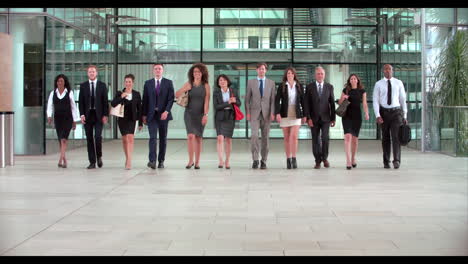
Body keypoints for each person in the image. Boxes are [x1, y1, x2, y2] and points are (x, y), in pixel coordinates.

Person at [175, 63, 211, 169]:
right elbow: (176, 95)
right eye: (195, 72)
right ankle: (190, 161)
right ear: (192, 73)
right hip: (189, 114)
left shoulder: (206, 86)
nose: (196, 74)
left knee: (198, 138)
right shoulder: (188, 83)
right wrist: (184, 88)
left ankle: (197, 162)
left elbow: (207, 101)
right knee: (190, 136)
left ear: (202, 73)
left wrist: (205, 114)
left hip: (200, 114)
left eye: (199, 72)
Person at [373, 64, 408, 169]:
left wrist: (405, 115)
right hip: (384, 113)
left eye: (389, 69)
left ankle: (396, 160)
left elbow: (403, 99)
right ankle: (386, 161)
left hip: (396, 112)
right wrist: (377, 115)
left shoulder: (398, 83)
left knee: (396, 137)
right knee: (385, 138)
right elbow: (375, 101)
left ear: (392, 71)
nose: (388, 71)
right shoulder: (378, 84)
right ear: (383, 71)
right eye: (386, 69)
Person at [142, 64, 175, 169]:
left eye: (159, 69)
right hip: (151, 115)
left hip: (163, 115)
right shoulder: (148, 83)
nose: (157, 70)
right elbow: (145, 100)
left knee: (162, 138)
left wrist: (166, 111)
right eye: (156, 69)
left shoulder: (168, 83)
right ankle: (152, 161)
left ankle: (161, 161)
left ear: (163, 70)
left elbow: (171, 99)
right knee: (152, 138)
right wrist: (143, 115)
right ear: (153, 71)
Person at [304, 66, 336, 169]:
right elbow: (306, 104)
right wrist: (308, 118)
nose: (320, 75)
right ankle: (317, 160)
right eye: (318, 73)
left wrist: (333, 118)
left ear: (324, 75)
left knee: (325, 138)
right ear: (315, 75)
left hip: (326, 118)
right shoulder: (309, 87)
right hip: (313, 119)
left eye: (322, 73)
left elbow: (332, 103)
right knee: (315, 140)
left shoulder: (329, 87)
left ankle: (325, 158)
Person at [245, 62, 276, 169]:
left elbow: (273, 100)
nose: (261, 70)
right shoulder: (251, 82)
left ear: (266, 70)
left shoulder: (271, 83)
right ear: (256, 70)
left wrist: (272, 112)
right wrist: (248, 113)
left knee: (265, 138)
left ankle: (264, 160)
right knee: (254, 136)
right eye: (259, 69)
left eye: (263, 69)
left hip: (267, 114)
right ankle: (255, 159)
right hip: (254, 114)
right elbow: (247, 99)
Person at [274, 67, 306, 169]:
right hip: (285, 113)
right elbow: (277, 101)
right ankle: (288, 159)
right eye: (288, 73)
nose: (290, 75)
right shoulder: (282, 86)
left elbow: (303, 101)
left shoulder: (299, 86)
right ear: (286, 75)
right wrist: (277, 113)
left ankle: (294, 158)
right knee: (287, 138)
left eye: (292, 73)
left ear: (294, 75)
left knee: (293, 137)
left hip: (296, 113)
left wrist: (305, 115)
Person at [79, 65, 109, 169]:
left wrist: (105, 115)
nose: (91, 73)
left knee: (97, 137)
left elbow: (105, 101)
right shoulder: (83, 86)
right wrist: (82, 115)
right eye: (90, 72)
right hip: (88, 115)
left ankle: (99, 156)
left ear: (96, 73)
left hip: (99, 115)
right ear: (88, 74)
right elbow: (81, 102)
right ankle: (92, 161)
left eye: (93, 71)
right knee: (89, 138)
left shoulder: (102, 85)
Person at [46, 74, 80, 168]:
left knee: (64, 139)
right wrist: (49, 116)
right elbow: (50, 105)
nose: (60, 83)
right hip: (58, 119)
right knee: (60, 140)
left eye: (62, 81)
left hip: (68, 118)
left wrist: (74, 120)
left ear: (65, 82)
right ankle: (64, 160)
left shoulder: (69, 92)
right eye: (58, 81)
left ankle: (60, 160)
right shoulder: (53, 93)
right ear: (56, 83)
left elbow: (73, 106)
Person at [111, 74, 143, 170]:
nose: (128, 83)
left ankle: (129, 160)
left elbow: (140, 109)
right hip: (122, 119)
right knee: (125, 139)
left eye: (129, 82)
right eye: (126, 82)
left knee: (130, 138)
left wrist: (140, 122)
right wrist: (121, 97)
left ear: (133, 83)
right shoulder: (119, 93)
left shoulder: (137, 94)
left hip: (132, 119)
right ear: (124, 83)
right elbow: (113, 103)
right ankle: (127, 158)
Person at [338, 74, 369, 170]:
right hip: (347, 116)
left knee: (355, 139)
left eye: (355, 78)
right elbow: (339, 102)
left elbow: (364, 103)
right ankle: (347, 161)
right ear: (349, 81)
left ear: (357, 80)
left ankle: (353, 158)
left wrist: (366, 113)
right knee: (347, 137)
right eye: (351, 78)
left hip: (357, 116)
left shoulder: (362, 91)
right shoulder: (345, 90)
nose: (353, 80)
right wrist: (344, 98)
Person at [213, 74, 241, 169]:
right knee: (220, 138)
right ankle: (221, 160)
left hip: (230, 117)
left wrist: (234, 101)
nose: (222, 82)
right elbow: (216, 106)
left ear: (227, 82)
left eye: (224, 80)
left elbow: (239, 103)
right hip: (219, 117)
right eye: (220, 80)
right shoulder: (216, 93)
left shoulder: (233, 91)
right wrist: (227, 103)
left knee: (228, 139)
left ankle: (227, 161)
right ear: (218, 83)